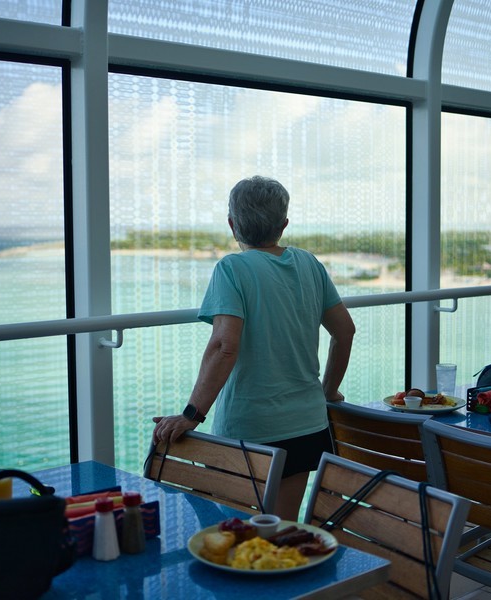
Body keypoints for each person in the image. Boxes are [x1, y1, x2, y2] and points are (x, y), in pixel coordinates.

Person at [151, 175, 355, 520]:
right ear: (284, 224)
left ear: (233, 224)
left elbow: (224, 345)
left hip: (252, 428)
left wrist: (191, 415)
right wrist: (329, 390)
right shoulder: (309, 264)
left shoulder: (232, 268)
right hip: (308, 423)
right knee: (280, 531)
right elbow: (345, 331)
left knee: (237, 534)